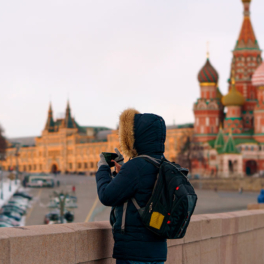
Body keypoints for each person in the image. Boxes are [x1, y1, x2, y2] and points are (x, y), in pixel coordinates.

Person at [96, 109, 167, 264]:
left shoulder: (136, 166)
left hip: (133, 253)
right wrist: (122, 172)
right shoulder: (164, 164)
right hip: (158, 252)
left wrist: (102, 169)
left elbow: (107, 196)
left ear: (137, 136)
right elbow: (139, 190)